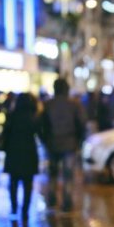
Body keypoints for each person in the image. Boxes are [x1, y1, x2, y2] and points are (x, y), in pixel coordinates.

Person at [40, 78, 86, 212]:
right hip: (70, 144)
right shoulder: (74, 105)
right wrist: (79, 141)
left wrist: (45, 141)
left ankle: (52, 200)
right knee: (68, 175)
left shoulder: (48, 105)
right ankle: (67, 202)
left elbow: (42, 125)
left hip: (52, 144)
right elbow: (81, 125)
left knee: (52, 174)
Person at [1, 93, 40, 220]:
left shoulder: (12, 116)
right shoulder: (33, 117)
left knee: (13, 183)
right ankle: (25, 211)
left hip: (14, 153)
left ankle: (14, 208)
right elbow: (40, 133)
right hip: (29, 153)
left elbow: (5, 133)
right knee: (28, 184)